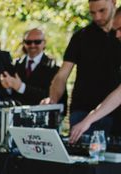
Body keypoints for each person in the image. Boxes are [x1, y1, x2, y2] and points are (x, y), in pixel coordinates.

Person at [42, 0, 121, 135]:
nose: (97, 17)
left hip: (115, 114)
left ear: (113, 3)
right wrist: (53, 99)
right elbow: (61, 76)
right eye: (92, 12)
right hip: (83, 109)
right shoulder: (81, 37)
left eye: (102, 11)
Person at [0, 28, 66, 107]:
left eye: (37, 42)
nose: (32, 45)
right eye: (28, 42)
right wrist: (7, 87)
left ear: (44, 43)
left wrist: (21, 87)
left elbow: (52, 96)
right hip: (17, 115)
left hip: (41, 115)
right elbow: (9, 94)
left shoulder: (53, 67)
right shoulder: (15, 64)